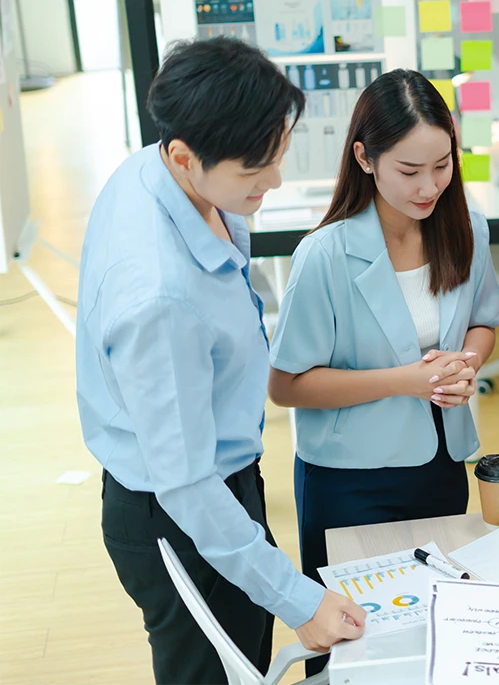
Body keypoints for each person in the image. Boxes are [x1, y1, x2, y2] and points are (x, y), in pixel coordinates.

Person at [76, 37, 365, 684]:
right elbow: (185, 484)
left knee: (247, 659)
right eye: (254, 168)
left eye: (278, 155)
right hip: (179, 515)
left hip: (219, 483)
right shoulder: (158, 298)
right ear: (185, 155)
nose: (274, 181)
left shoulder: (161, 170)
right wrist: (299, 600)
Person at [267, 68, 499, 671]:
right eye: (409, 170)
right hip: (350, 482)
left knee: (441, 637)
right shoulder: (324, 256)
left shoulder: (467, 229)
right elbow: (286, 385)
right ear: (364, 159)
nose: (430, 186)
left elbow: (484, 322)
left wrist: (466, 363)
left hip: (442, 466)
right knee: (355, 652)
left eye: (442, 166)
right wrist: (407, 381)